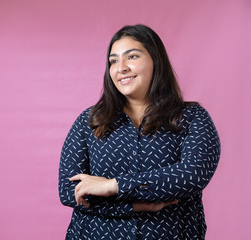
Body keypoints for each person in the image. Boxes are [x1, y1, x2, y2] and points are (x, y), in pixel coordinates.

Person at [58, 24, 220, 240]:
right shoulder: (89, 121)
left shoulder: (192, 118)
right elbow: (69, 191)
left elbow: (191, 175)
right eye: (113, 61)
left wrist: (113, 186)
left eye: (131, 57)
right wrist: (132, 206)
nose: (121, 67)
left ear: (156, 60)